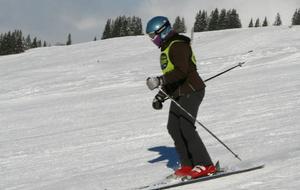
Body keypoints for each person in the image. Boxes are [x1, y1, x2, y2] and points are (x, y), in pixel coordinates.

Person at [145, 16, 216, 179]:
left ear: (161, 32)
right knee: (173, 127)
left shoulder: (177, 45)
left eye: (152, 36)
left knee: (186, 126)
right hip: (179, 92)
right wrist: (160, 96)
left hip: (191, 90)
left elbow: (181, 71)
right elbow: (173, 77)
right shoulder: (168, 47)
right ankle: (187, 165)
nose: (152, 40)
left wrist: (160, 80)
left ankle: (206, 165)